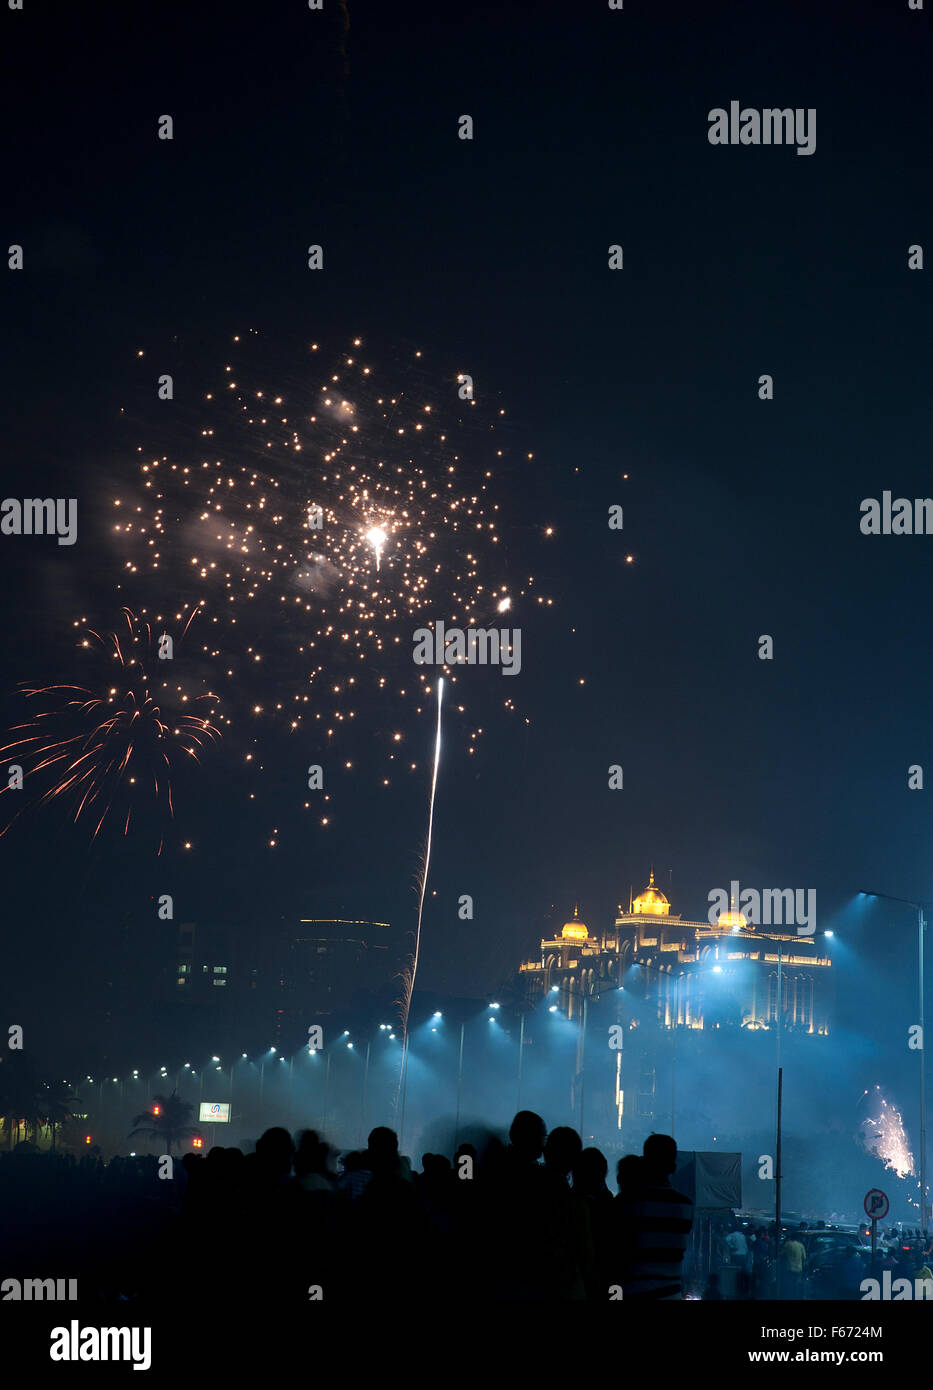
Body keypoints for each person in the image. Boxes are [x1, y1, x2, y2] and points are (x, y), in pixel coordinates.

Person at [617, 1134, 693, 1300]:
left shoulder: (629, 1202)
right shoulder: (685, 1206)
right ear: (673, 1166)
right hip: (671, 1294)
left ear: (644, 1162)